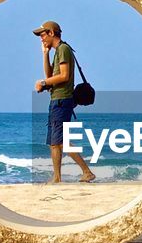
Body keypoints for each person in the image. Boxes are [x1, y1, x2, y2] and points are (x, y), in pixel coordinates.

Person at [33, 20, 96, 183]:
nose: (41, 39)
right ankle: (57, 177)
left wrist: (44, 84)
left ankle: (86, 172)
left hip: (62, 100)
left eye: (42, 35)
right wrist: (45, 54)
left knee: (61, 141)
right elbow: (50, 75)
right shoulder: (57, 51)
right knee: (54, 143)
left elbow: (64, 76)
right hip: (57, 100)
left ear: (51, 33)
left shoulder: (63, 49)